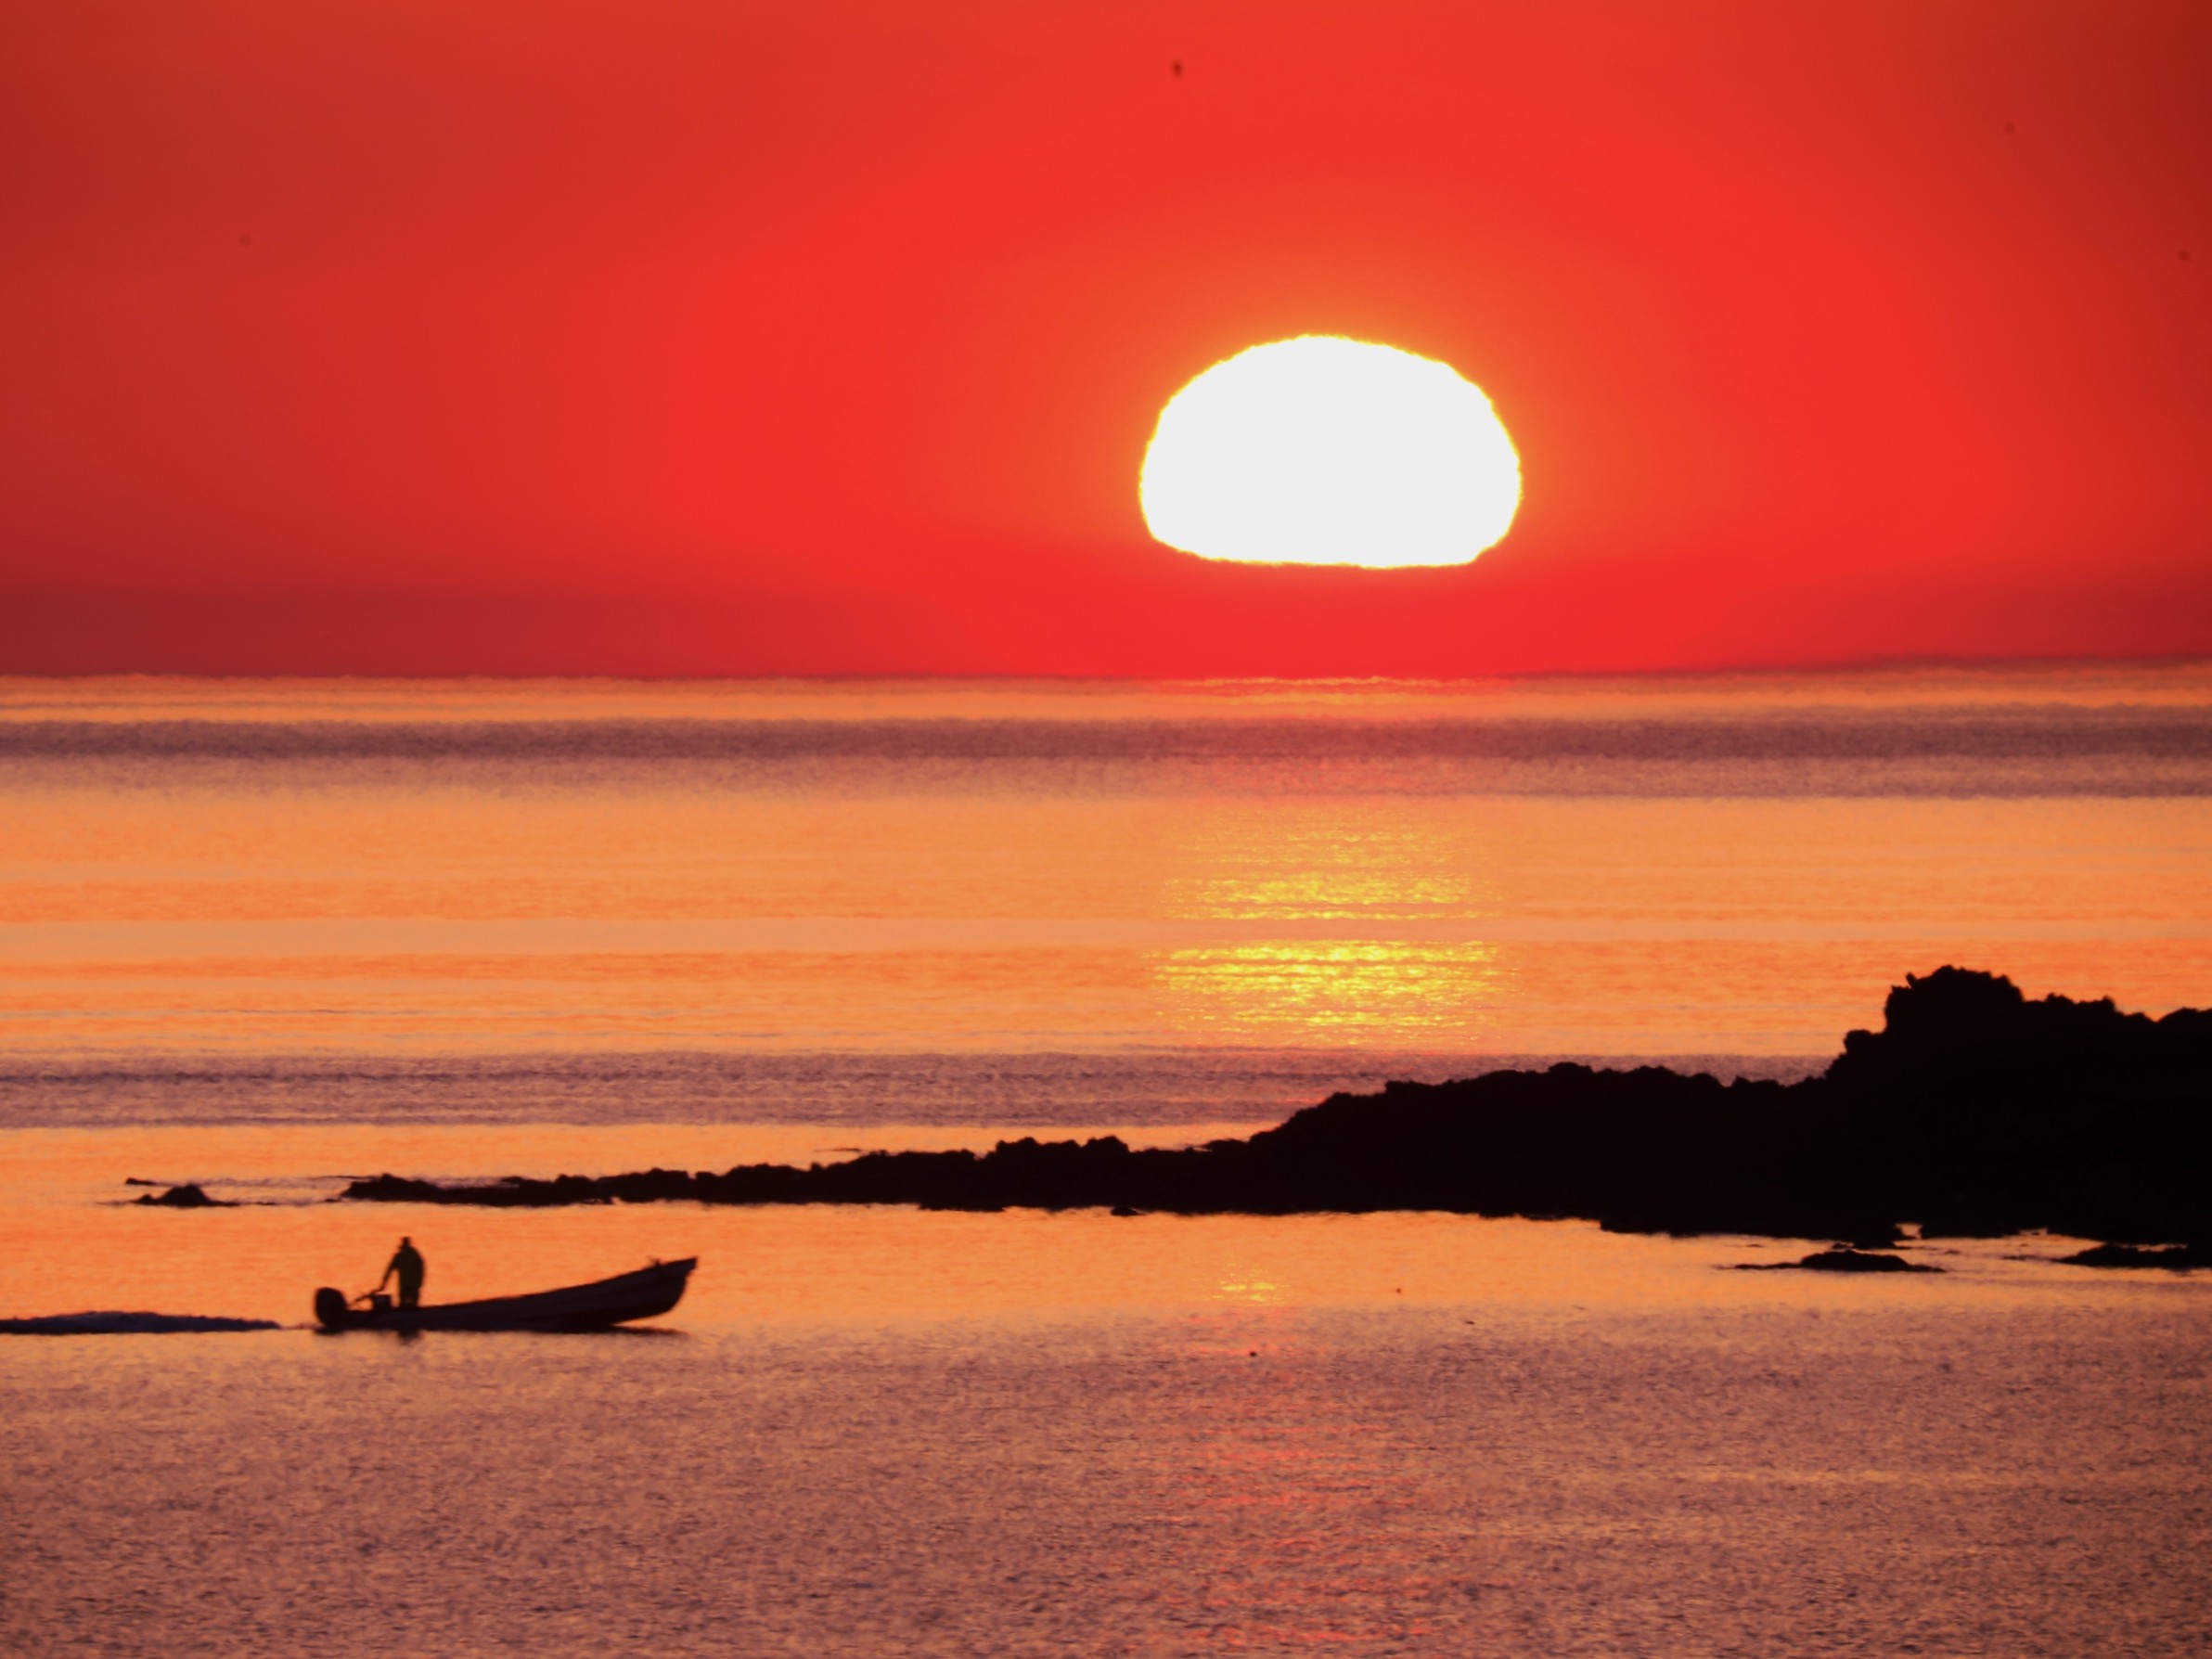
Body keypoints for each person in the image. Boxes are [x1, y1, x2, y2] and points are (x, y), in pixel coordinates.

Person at [378, 1237, 426, 1310]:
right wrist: (420, 1281)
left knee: (404, 1306)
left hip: (408, 1285)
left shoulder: (402, 1256)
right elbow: (422, 1268)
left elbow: (389, 1271)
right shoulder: (414, 1255)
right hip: (411, 1285)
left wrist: (383, 1284)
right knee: (412, 1306)